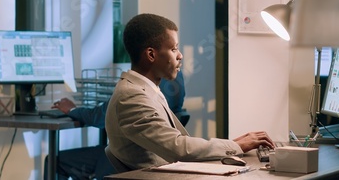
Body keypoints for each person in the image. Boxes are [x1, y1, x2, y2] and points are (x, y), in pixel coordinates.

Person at [105, 13, 274, 170]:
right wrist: (235, 146)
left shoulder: (145, 89)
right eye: (173, 49)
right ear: (151, 55)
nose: (180, 56)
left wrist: (233, 143)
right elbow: (178, 148)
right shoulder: (132, 97)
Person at [43, 72, 188, 180]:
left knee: (55, 161)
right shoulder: (176, 77)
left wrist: (72, 110)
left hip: (125, 159)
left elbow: (99, 117)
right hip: (157, 157)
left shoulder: (135, 87)